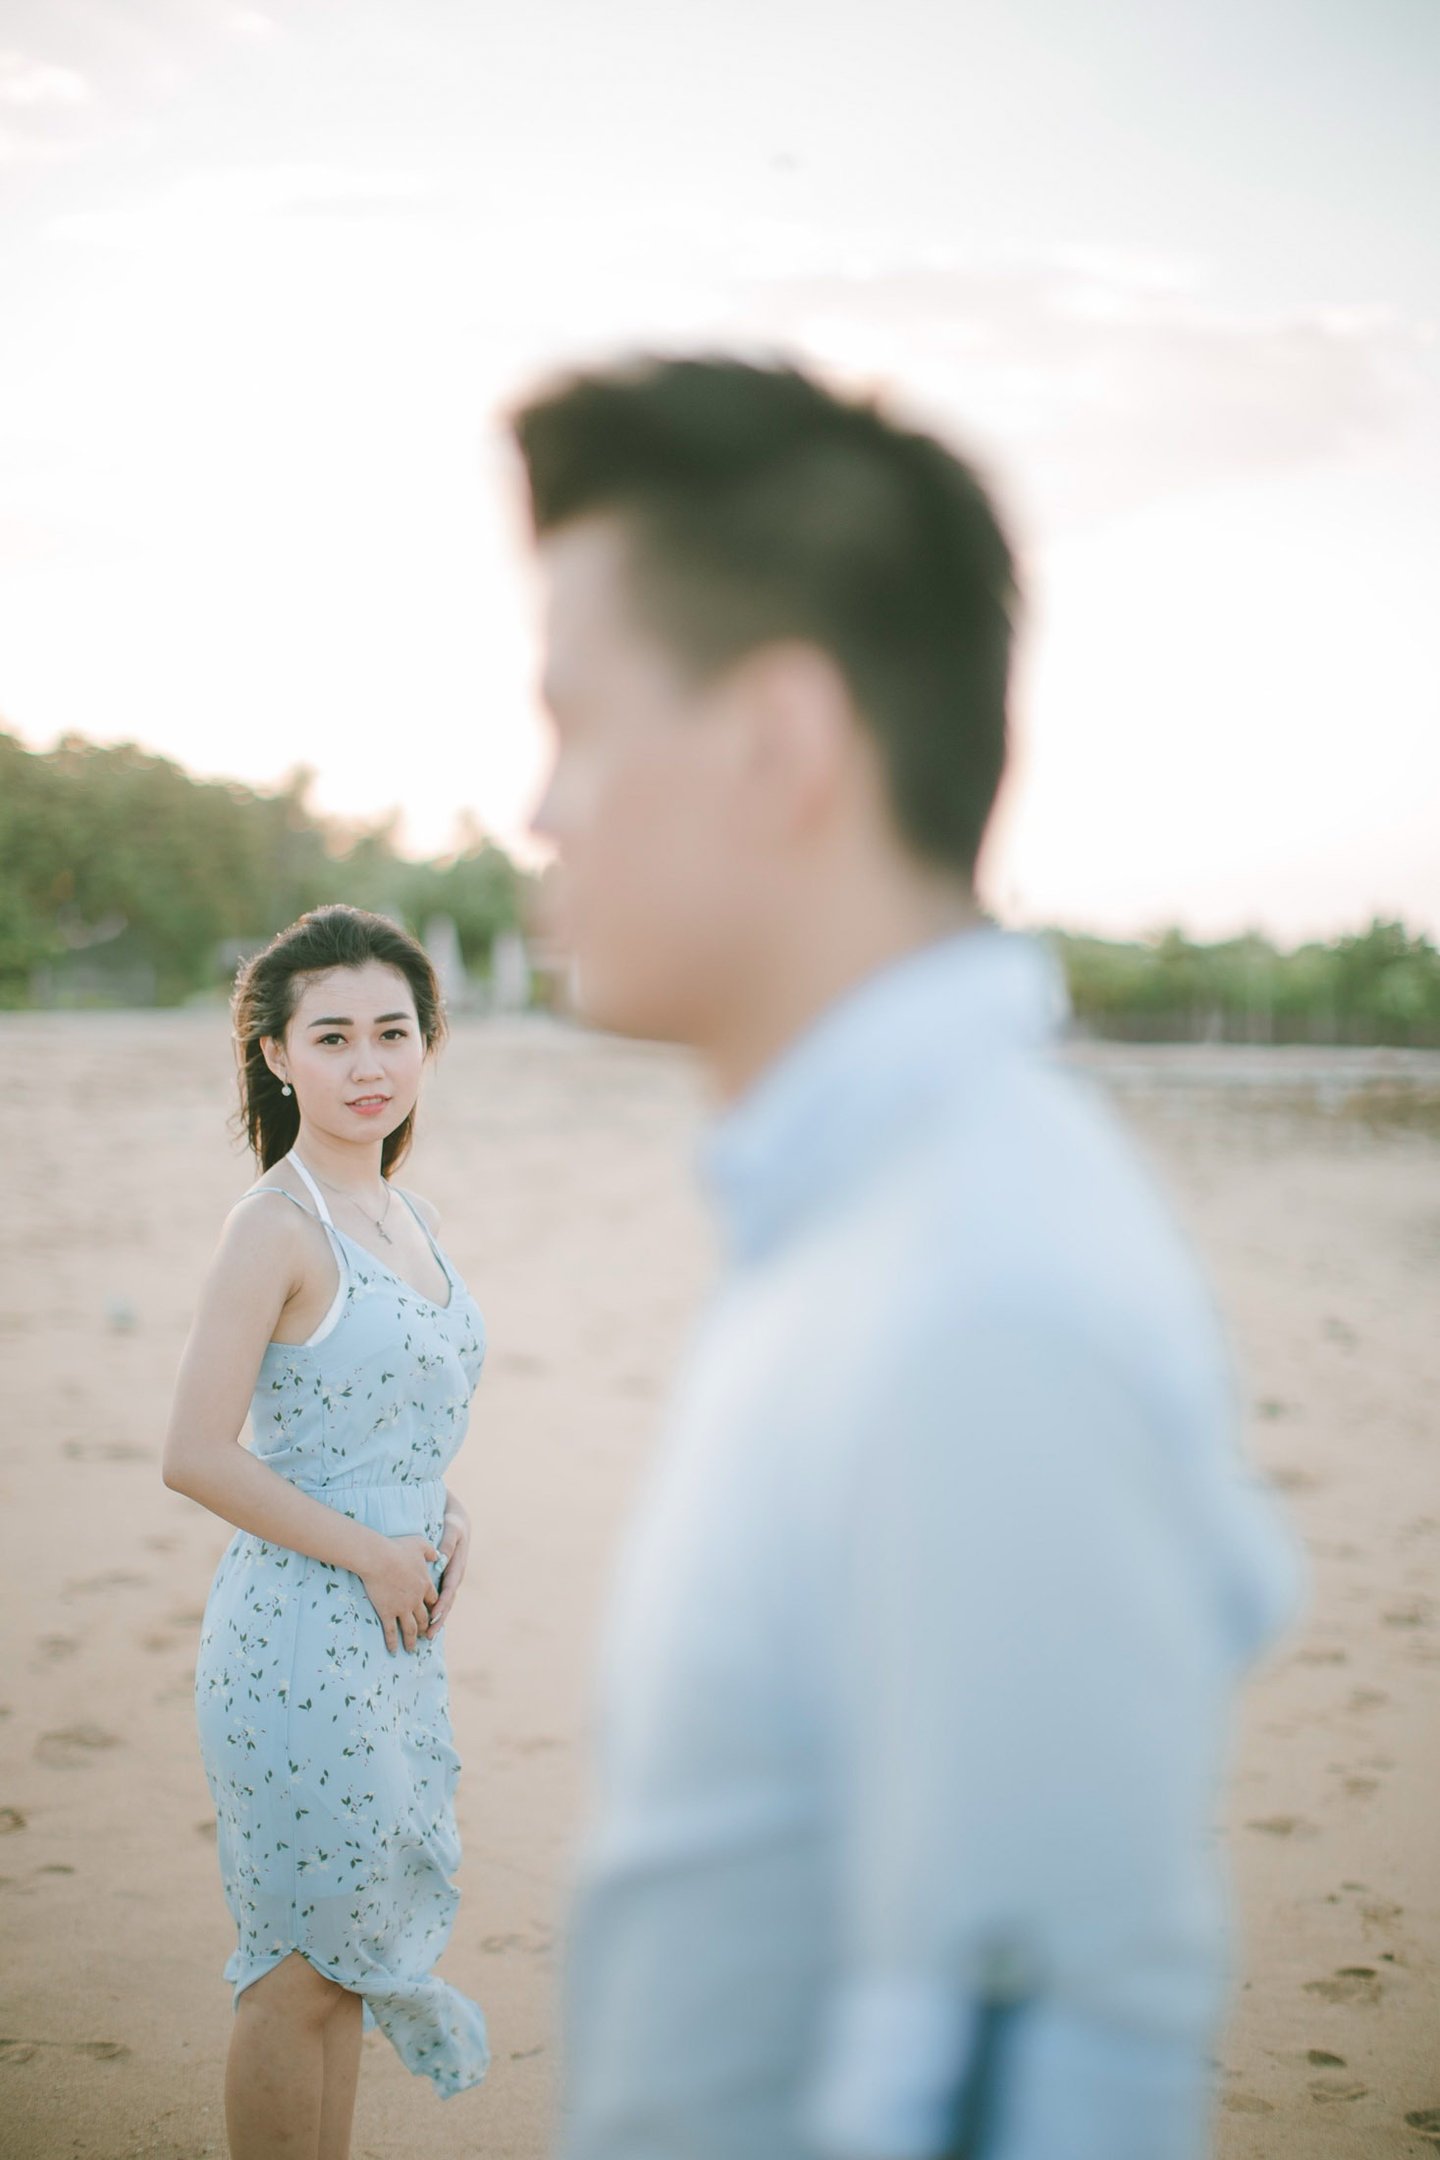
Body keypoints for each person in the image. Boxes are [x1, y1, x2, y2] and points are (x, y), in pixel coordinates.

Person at [506, 354, 1303, 2160]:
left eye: (572, 720)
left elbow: (1031, 2097)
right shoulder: (860, 1223)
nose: (539, 811)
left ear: (780, 744)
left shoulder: (980, 1295)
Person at [161, 902, 489, 2160]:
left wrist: (449, 1516)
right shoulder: (274, 1228)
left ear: (426, 1045)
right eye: (335, 1037)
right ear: (277, 1054)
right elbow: (194, 1454)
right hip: (300, 1639)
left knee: (346, 1963)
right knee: (296, 1976)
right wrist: (372, 1551)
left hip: (402, 1634)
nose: (370, 1066)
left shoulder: (412, 1219)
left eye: (394, 1033)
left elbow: (397, 1423)